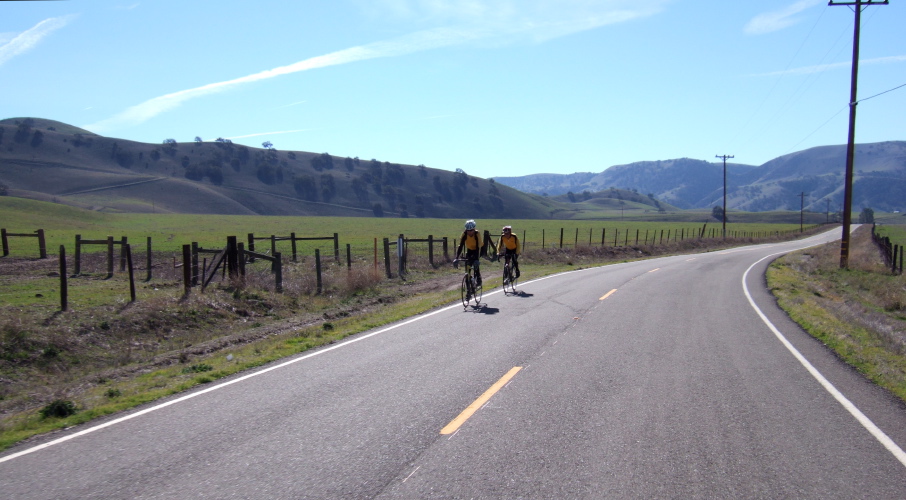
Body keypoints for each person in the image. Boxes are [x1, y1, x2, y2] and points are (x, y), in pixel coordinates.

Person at [456, 219, 483, 287]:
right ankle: (468, 290)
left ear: (474, 229)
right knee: (467, 270)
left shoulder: (477, 234)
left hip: (478, 249)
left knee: (475, 264)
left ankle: (479, 279)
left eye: (471, 230)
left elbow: (478, 247)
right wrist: (456, 257)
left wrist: (476, 259)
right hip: (469, 250)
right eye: (468, 230)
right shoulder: (464, 234)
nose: (469, 232)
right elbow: (461, 246)